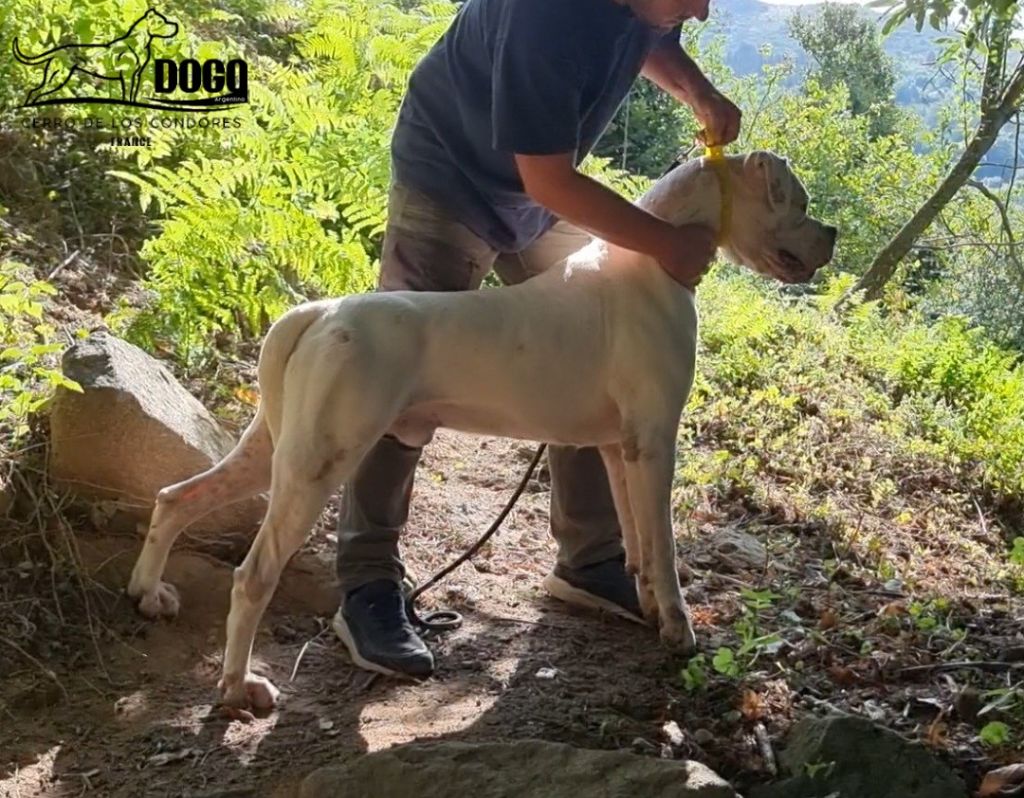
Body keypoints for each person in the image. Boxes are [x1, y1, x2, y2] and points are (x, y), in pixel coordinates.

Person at [332, 0, 742, 679]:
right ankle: (366, 584)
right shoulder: (544, 15)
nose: (700, 11)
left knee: (590, 339)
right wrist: (667, 242)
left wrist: (697, 90)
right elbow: (550, 178)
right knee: (402, 374)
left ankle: (590, 560)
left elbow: (649, 34)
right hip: (453, 176)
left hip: (535, 186)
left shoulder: (642, 5)